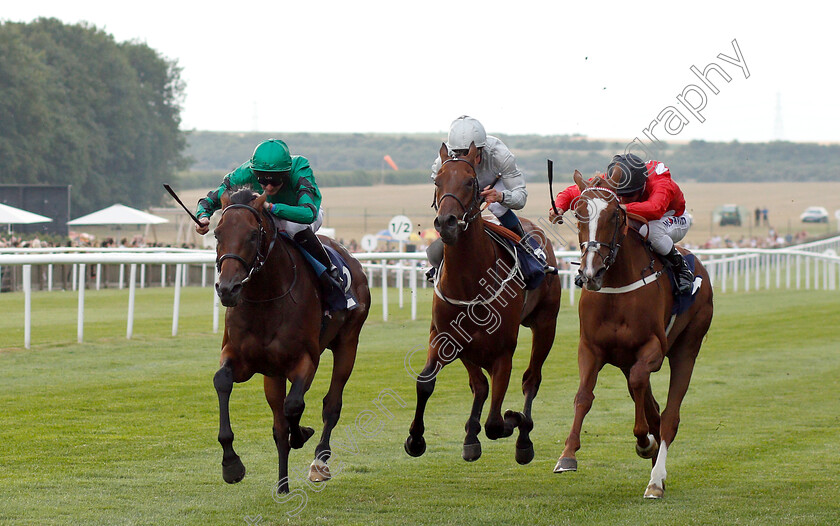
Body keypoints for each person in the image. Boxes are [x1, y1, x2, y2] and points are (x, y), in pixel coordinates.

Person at [194, 138, 342, 292]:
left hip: (301, 214)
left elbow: (308, 213)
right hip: (266, 213)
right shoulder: (244, 173)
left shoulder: (300, 167)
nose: (269, 187)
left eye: (276, 180)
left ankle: (329, 271)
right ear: (255, 172)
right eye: (263, 180)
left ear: (286, 174)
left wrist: (270, 206)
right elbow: (209, 200)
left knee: (292, 228)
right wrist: (203, 216)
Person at [550, 153, 694, 294]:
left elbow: (655, 209)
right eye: (621, 194)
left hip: (672, 216)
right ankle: (591, 265)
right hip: (639, 217)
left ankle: (681, 268)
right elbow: (571, 192)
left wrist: (620, 208)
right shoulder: (611, 179)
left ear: (642, 185)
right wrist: (558, 208)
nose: (625, 199)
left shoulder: (660, 182)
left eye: (629, 195)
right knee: (608, 224)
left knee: (650, 230)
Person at [426, 115, 539, 280]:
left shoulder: (500, 155)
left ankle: (527, 252)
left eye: (471, 154)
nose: (467, 159)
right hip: (462, 190)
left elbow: (521, 198)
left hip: (492, 185)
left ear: (481, 149)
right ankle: (438, 265)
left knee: (497, 208)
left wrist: (500, 196)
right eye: (459, 154)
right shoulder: (441, 163)